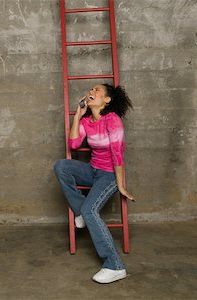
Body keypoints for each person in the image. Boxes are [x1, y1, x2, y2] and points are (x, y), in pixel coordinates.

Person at [54, 83, 135, 284]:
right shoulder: (87, 122)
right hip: (92, 170)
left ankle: (115, 266)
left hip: (109, 175)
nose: (91, 92)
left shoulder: (112, 120)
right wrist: (77, 117)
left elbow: (117, 154)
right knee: (61, 166)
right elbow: (73, 144)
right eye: (90, 89)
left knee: (91, 211)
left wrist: (120, 184)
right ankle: (80, 211)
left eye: (97, 90)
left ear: (107, 100)